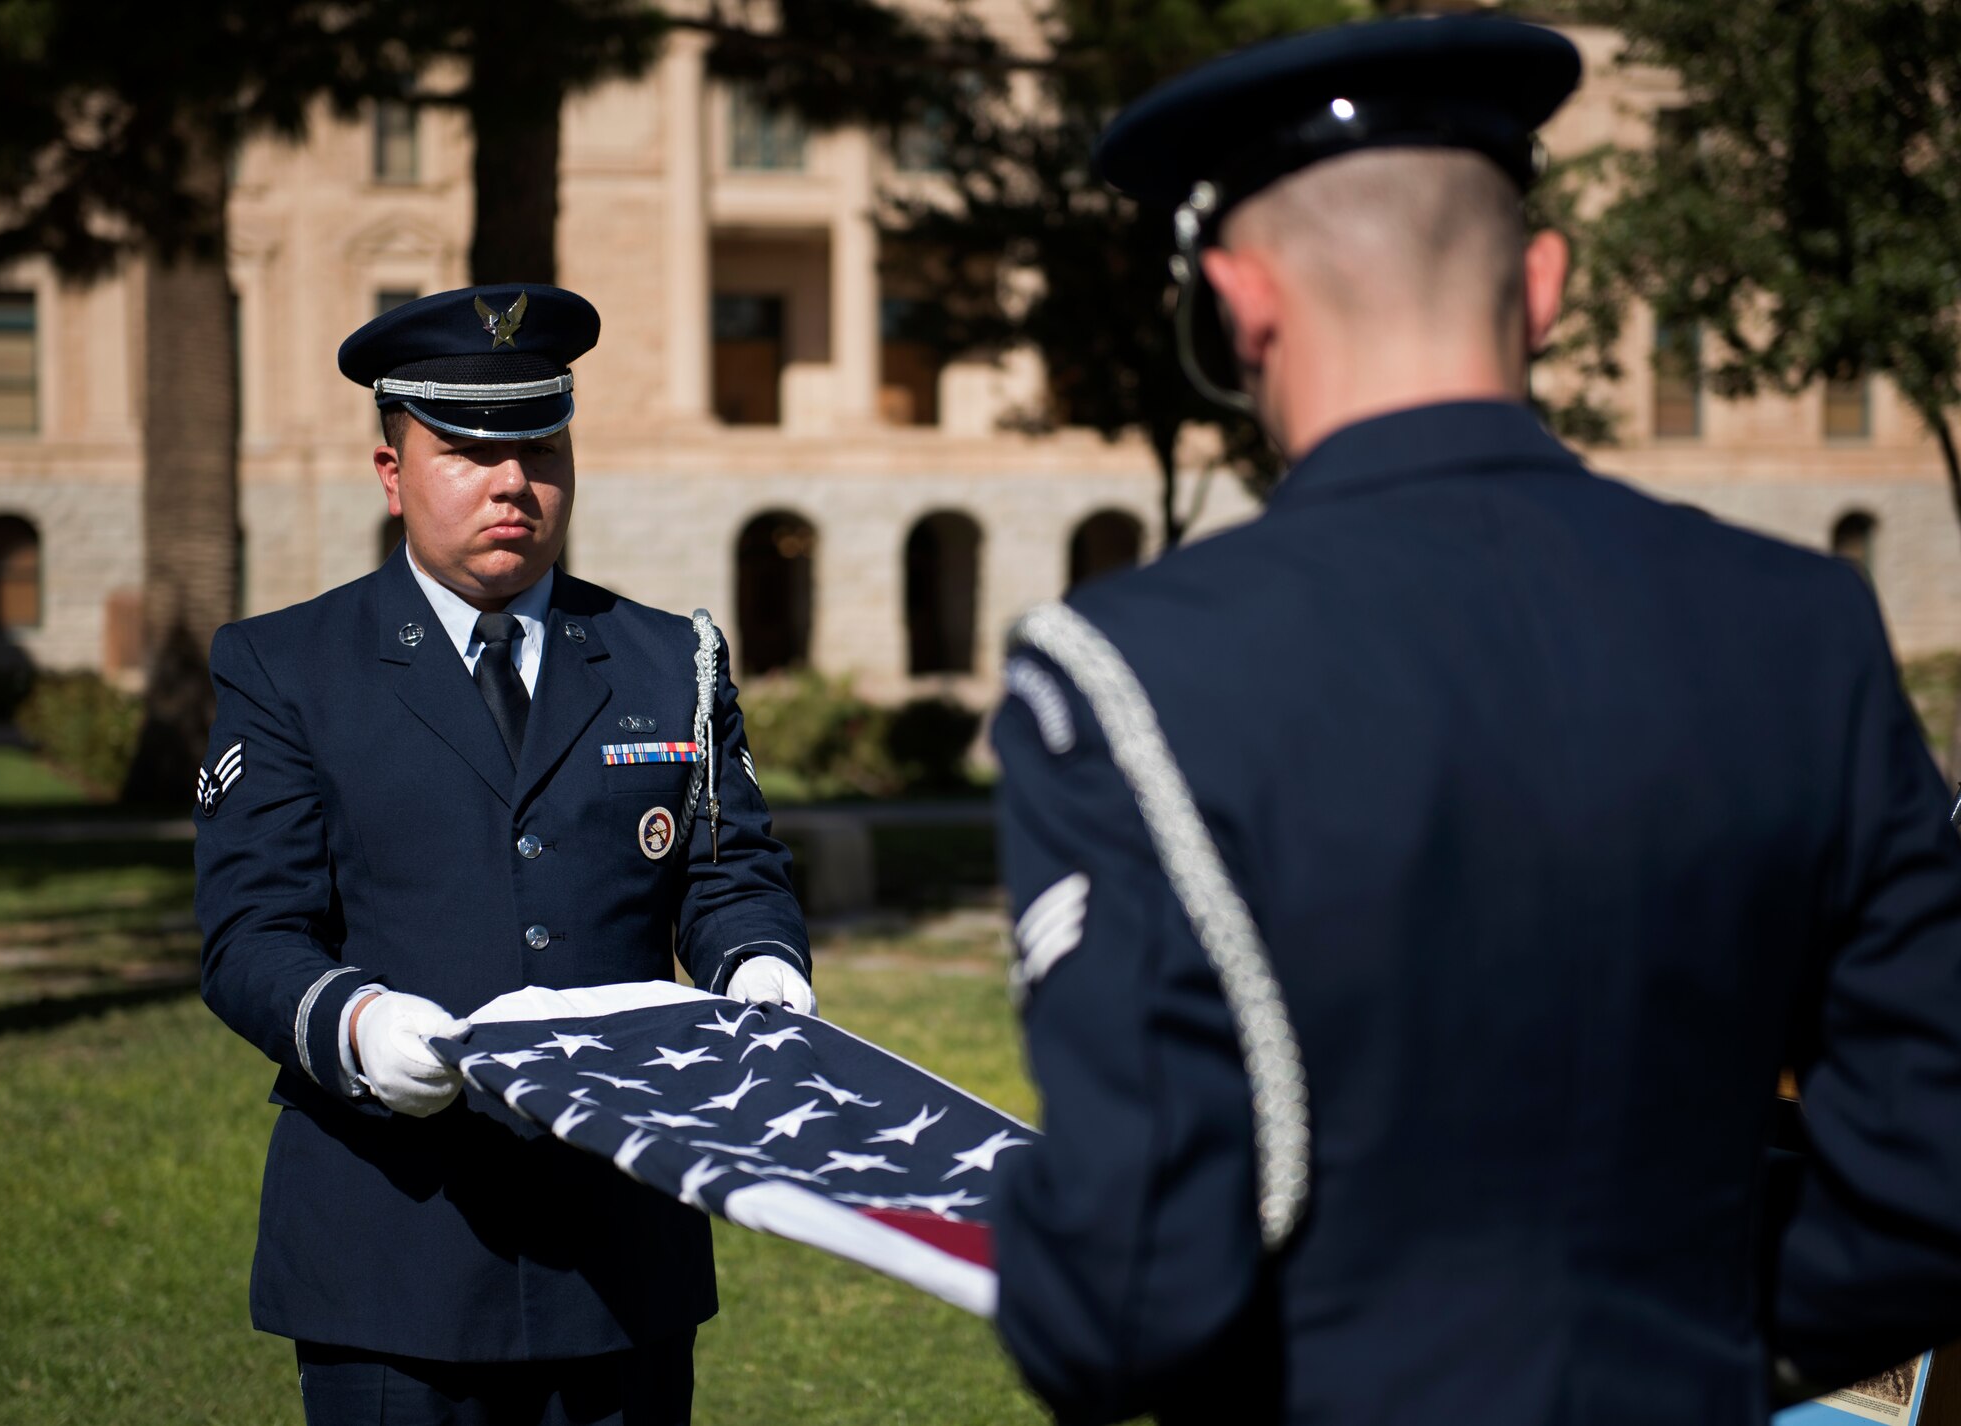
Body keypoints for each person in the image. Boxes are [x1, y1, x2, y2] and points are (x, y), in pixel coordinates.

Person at [989, 15, 1961, 1425]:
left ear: (1234, 301)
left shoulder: (1127, 667)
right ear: (1550, 286)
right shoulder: (1805, 623)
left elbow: (1127, 1305)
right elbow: (1930, 1181)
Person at [194, 284, 814, 1425]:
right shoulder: (288, 667)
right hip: (397, 1246)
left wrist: (758, 966)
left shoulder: (665, 656)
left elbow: (729, 873)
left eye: (538, 447)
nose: (511, 482)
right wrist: (357, 1021)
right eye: (467, 451)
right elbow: (249, 935)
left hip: (618, 1246)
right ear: (392, 472)